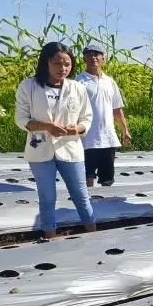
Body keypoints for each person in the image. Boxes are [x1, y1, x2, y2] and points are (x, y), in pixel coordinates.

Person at [14, 42, 96, 238]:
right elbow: (21, 119)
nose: (63, 68)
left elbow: (87, 117)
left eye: (67, 64)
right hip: (40, 150)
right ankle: (50, 236)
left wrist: (77, 128)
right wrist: (47, 127)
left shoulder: (77, 88)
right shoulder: (29, 86)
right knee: (47, 197)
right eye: (57, 63)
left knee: (81, 195)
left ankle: (93, 233)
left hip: (70, 148)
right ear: (46, 63)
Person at [76, 43, 131, 187]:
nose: (93, 57)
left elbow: (117, 109)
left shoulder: (110, 82)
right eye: (89, 55)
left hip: (108, 137)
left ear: (103, 59)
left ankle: (105, 206)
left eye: (97, 54)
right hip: (86, 138)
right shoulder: (78, 82)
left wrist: (125, 130)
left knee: (107, 178)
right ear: (84, 59)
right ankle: (87, 206)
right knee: (87, 176)